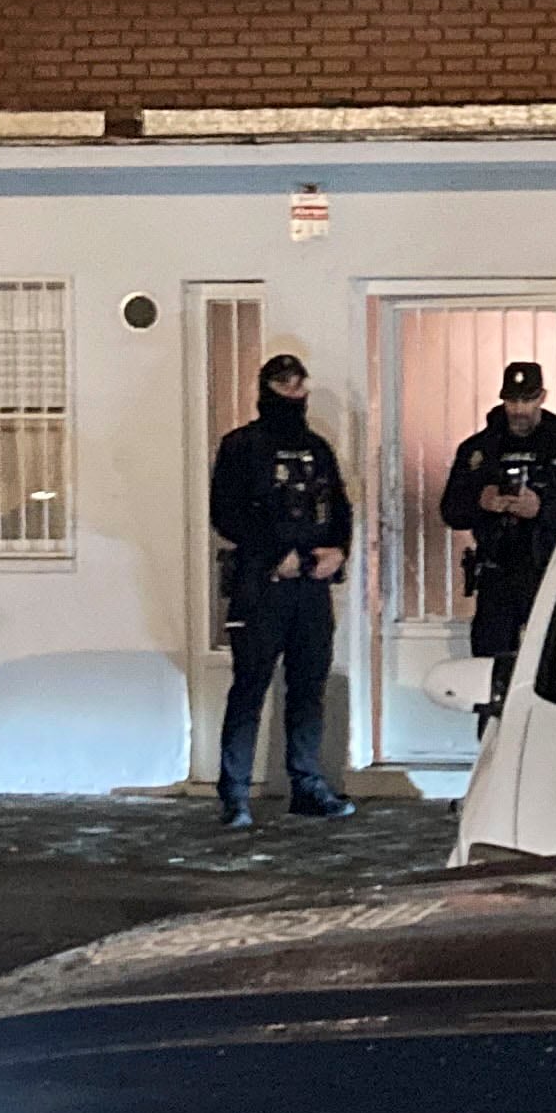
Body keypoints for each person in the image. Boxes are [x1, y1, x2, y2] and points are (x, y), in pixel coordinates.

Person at [207, 352, 357, 829]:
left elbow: (339, 508)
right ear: (267, 387)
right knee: (249, 687)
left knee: (308, 688)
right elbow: (226, 514)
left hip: (310, 588)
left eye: (298, 383)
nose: (293, 392)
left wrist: (339, 552)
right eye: (283, 383)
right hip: (261, 584)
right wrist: (275, 554)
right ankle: (234, 793)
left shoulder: (317, 448)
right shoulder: (241, 446)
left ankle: (307, 785)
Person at [438, 360, 556, 723]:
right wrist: (483, 502)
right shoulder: (479, 450)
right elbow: (450, 511)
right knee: (490, 682)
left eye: (527, 401)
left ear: (541, 397)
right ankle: (489, 754)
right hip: (496, 576)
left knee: (551, 675)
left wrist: (540, 510)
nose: (519, 410)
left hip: (549, 576)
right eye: (512, 401)